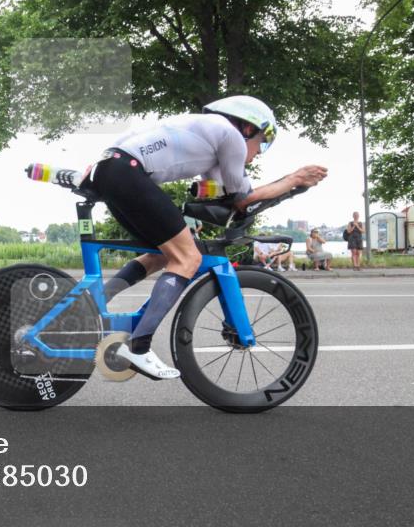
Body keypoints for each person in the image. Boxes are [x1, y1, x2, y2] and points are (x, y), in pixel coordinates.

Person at [80, 95, 327, 379]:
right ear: (248, 129)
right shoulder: (231, 136)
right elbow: (243, 199)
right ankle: (139, 347)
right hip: (130, 173)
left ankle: (89, 304)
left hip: (111, 168)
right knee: (189, 257)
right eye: (261, 143)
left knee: (163, 254)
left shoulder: (206, 131)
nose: (259, 153)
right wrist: (294, 180)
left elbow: (219, 191)